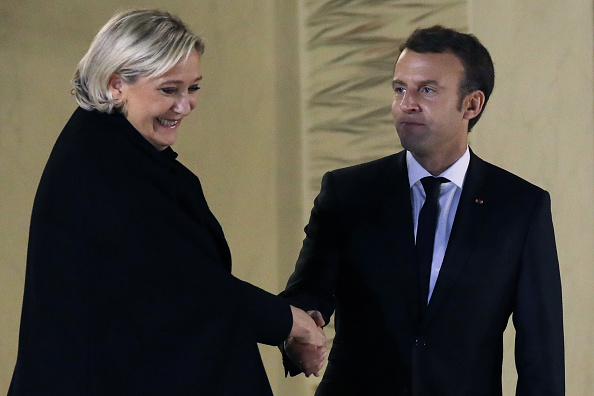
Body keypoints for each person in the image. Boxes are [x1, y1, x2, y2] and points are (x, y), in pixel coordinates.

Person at [8, 9, 326, 396]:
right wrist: (292, 324)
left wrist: (289, 323)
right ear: (115, 84)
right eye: (169, 89)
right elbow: (185, 288)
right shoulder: (105, 167)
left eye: (193, 88)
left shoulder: (107, 149)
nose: (185, 105)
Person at [281, 26, 564, 395]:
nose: (407, 104)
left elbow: (540, 352)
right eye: (400, 89)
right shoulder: (348, 192)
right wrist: (302, 328)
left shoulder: (520, 208)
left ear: (472, 104)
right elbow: (307, 292)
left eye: (426, 90)